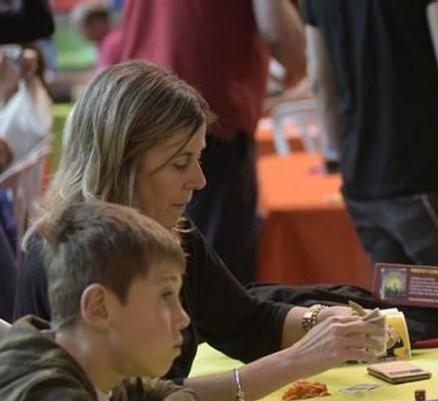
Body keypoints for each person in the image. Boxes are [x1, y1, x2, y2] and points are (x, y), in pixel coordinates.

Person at [14, 61, 385, 401]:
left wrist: (324, 321)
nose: (199, 180)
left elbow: (246, 324)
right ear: (121, 163)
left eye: (199, 158)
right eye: (180, 163)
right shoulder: (65, 258)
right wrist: (298, 359)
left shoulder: (171, 233)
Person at [1, 201, 207, 401]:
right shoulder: (36, 393)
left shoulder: (84, 369)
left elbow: (178, 393)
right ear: (99, 307)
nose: (182, 318)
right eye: (165, 295)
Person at [303, 0, 438, 270]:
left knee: (397, 309)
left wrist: (349, 159)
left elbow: (321, 82)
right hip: (431, 171)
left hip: (364, 181)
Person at [117, 0, 307, 284]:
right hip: (206, 126)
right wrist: (305, 63)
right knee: (215, 279)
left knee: (153, 264)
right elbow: (280, 33)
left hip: (138, 113)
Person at [71, 2, 123, 68]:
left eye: (82, 26)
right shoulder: (107, 40)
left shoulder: (112, 42)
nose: (80, 32)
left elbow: (101, 76)